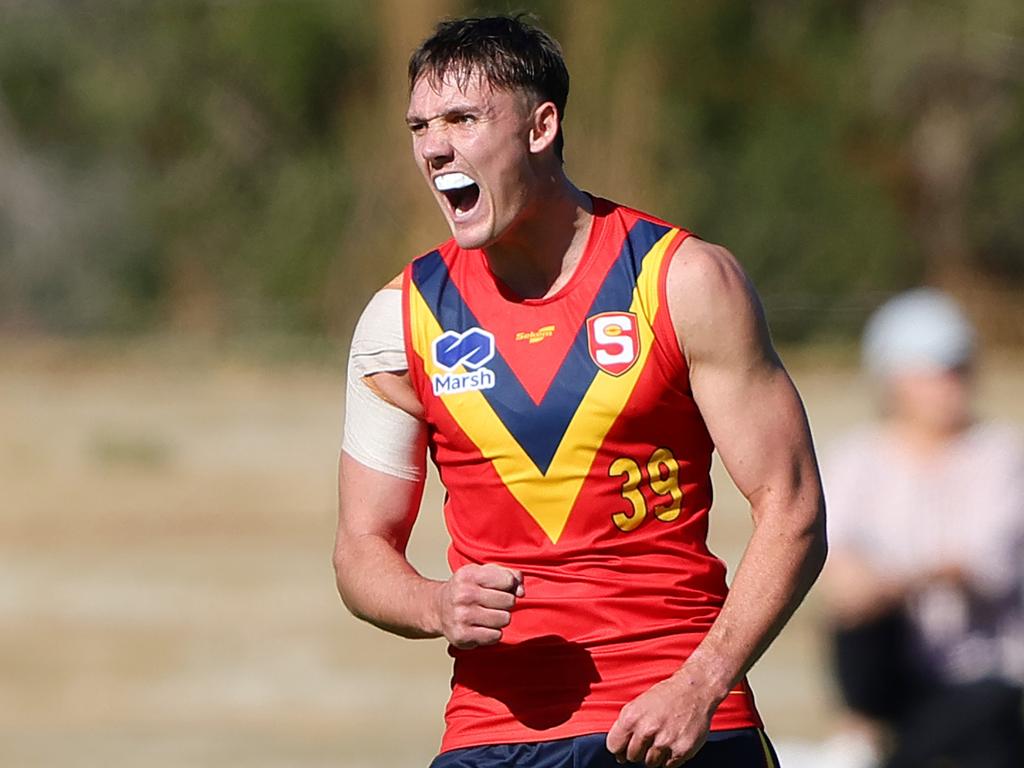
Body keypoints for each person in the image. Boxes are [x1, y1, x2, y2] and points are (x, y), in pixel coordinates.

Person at [333, 15, 827, 768]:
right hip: (492, 735)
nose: (435, 147)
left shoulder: (683, 280)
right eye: (420, 126)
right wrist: (433, 604)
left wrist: (701, 683)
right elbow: (361, 550)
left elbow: (792, 507)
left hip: (678, 720)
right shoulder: (397, 321)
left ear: (541, 126)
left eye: (462, 119)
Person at [822, 289, 1024, 768]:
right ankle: (863, 730)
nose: (951, 386)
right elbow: (839, 572)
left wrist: (891, 581)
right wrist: (870, 585)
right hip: (896, 669)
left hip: (984, 673)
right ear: (894, 380)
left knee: (986, 716)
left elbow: (984, 562)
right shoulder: (856, 460)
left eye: (959, 370)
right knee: (857, 620)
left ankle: (877, 752)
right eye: (936, 373)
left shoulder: (1000, 456)